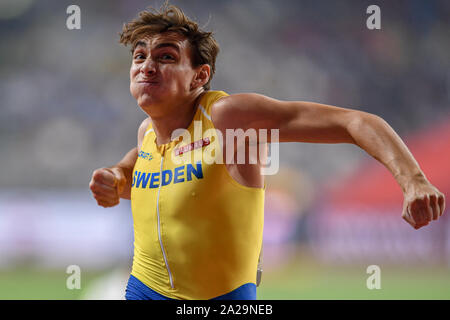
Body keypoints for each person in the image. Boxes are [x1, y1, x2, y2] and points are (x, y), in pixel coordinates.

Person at [89, 4, 445, 300]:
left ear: (200, 76)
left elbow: (356, 122)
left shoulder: (227, 117)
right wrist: (116, 177)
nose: (147, 65)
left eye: (165, 56)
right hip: (141, 291)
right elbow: (143, 173)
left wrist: (413, 181)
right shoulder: (147, 132)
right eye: (139, 56)